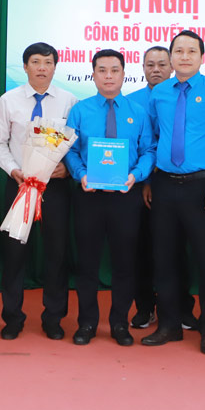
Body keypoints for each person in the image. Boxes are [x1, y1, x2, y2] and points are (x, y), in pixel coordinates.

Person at [143, 30, 205, 355]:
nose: (183, 56)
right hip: (165, 185)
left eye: (190, 51)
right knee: (164, 258)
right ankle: (168, 325)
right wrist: (150, 181)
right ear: (171, 57)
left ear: (201, 56)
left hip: (202, 186)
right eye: (178, 51)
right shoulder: (160, 93)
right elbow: (153, 139)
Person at [65, 49, 155, 346]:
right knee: (87, 263)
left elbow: (148, 152)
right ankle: (87, 323)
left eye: (114, 70)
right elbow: (71, 150)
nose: (108, 76)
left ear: (123, 74)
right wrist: (81, 175)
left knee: (124, 264)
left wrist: (136, 175)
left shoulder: (137, 112)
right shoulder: (80, 110)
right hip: (89, 195)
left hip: (125, 197)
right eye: (101, 70)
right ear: (92, 75)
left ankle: (119, 324)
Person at [0, 42, 78, 340]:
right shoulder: (8, 100)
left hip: (55, 188)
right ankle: (12, 317)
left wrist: (67, 169)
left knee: (57, 254)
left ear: (55, 67)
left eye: (48, 62)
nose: (42, 67)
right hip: (19, 186)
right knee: (15, 254)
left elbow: (74, 143)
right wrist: (13, 170)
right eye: (35, 62)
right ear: (25, 66)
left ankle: (53, 318)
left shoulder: (69, 100)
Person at [128, 46, 196, 331]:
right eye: (149, 65)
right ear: (142, 68)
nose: (155, 70)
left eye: (161, 65)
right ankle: (145, 307)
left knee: (177, 250)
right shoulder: (130, 102)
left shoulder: (182, 97)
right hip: (137, 187)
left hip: (174, 186)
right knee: (141, 249)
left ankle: (182, 308)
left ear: (172, 68)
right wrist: (145, 182)